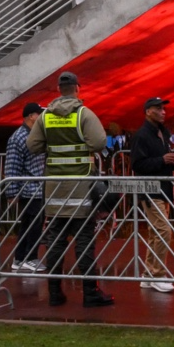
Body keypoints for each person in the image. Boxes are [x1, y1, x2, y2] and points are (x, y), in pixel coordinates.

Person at [26, 71, 114, 308]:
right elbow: (99, 143)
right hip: (81, 190)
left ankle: (55, 293)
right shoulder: (84, 114)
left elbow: (32, 145)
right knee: (84, 242)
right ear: (77, 88)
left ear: (58, 89)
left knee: (55, 242)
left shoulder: (45, 117)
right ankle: (90, 293)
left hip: (55, 192)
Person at [131, 96, 174, 294]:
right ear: (148, 112)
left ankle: (148, 274)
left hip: (163, 188)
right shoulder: (141, 135)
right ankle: (157, 274)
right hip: (150, 190)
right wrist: (162, 160)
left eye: (163, 109)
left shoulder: (163, 132)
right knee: (163, 231)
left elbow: (160, 160)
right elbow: (137, 165)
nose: (163, 112)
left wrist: (173, 162)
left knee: (156, 233)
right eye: (158, 109)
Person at [4, 102, 47, 272]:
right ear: (31, 116)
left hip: (33, 188)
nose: (42, 117)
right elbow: (12, 166)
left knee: (29, 225)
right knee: (33, 225)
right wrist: (12, 193)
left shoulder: (30, 135)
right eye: (39, 114)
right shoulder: (19, 137)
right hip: (29, 189)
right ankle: (29, 257)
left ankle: (21, 258)